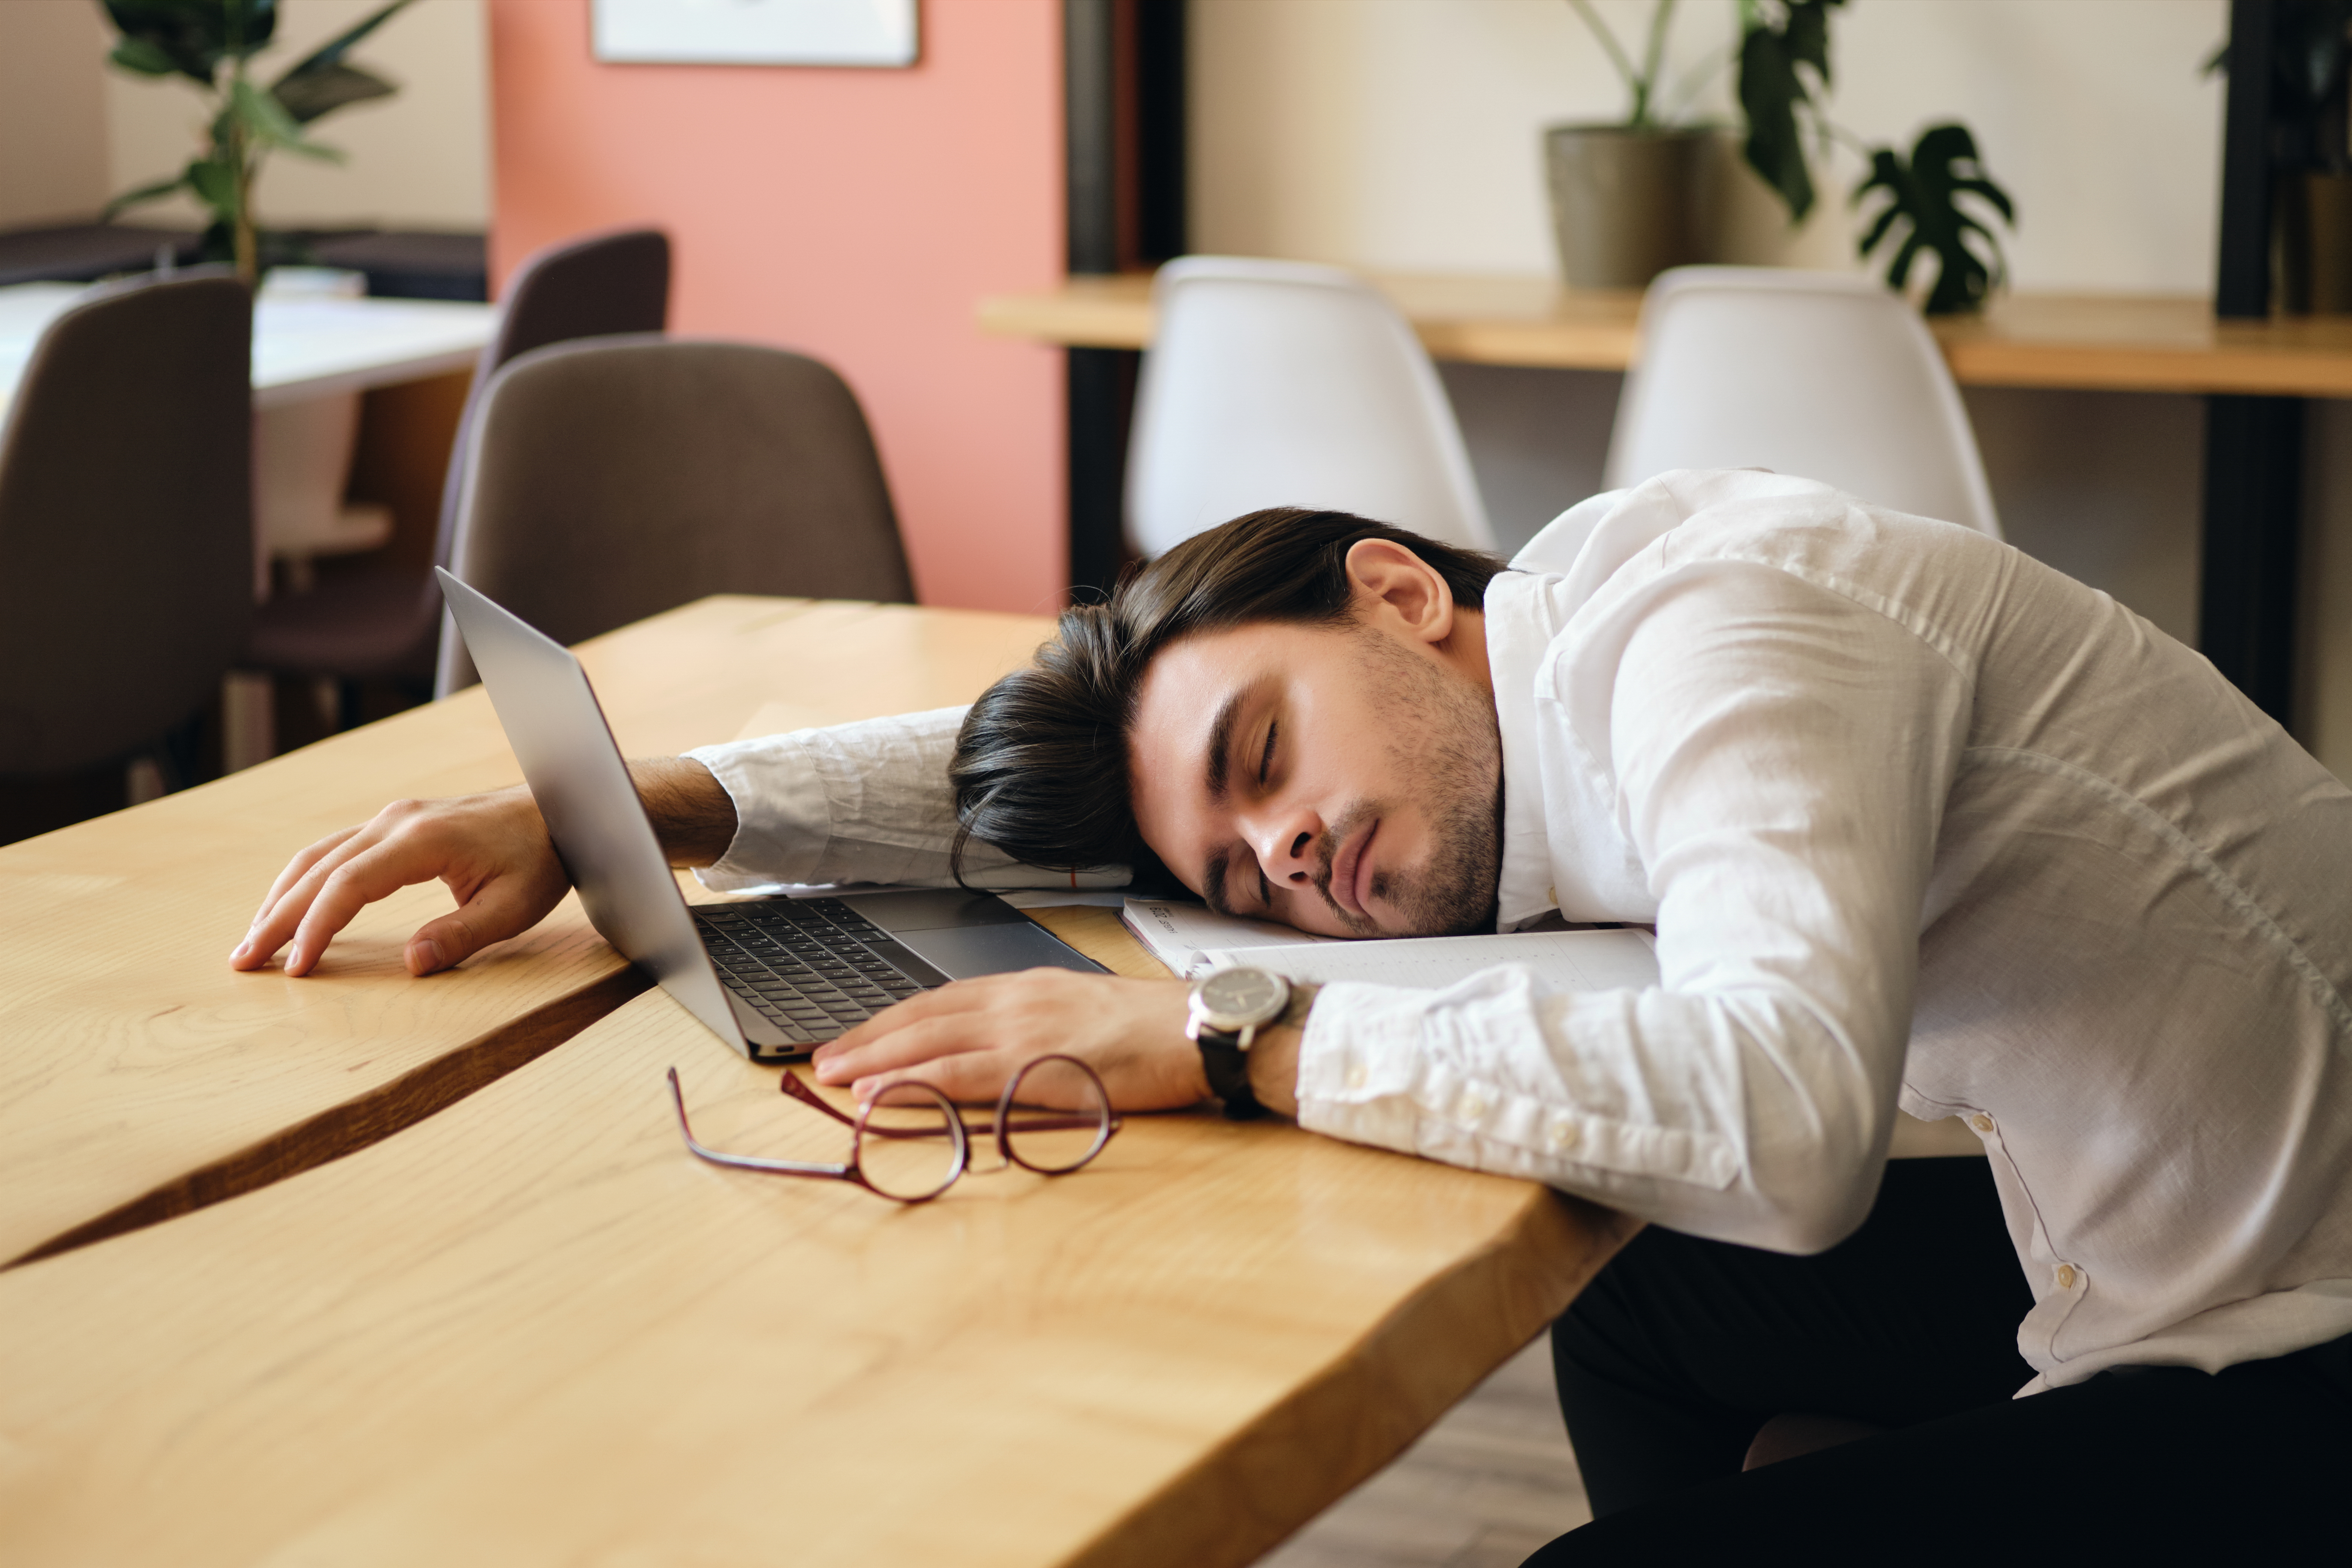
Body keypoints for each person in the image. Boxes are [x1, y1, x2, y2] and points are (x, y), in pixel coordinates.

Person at [232, 469, 2352, 1555]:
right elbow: (1089, 761)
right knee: (1611, 1294)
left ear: (1398, 592)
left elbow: (1789, 1135)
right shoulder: (1508, 686)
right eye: (1234, 871)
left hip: (2296, 1342)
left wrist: (1242, 1048)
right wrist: (671, 807)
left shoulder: (1722, 643)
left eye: (1266, 766)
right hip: (2106, 1233)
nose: (1288, 859)